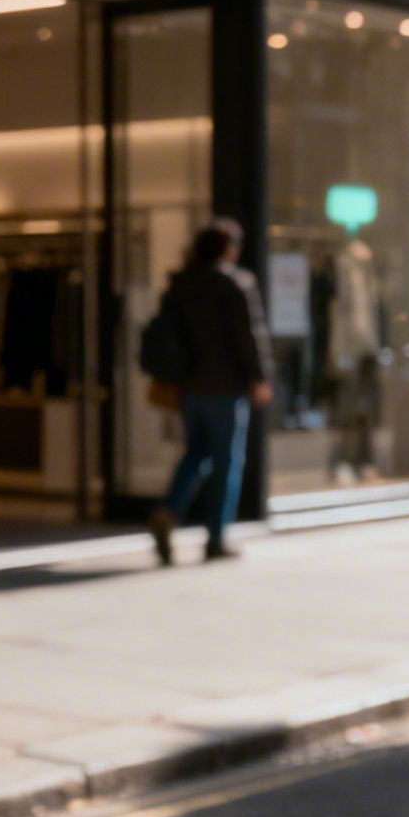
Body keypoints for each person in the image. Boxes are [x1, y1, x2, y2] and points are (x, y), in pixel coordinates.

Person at [147, 219, 275, 565]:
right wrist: (259, 378)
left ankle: (169, 511)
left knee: (195, 454)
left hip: (190, 385)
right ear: (228, 248)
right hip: (226, 386)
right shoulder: (235, 283)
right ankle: (216, 537)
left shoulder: (181, 284)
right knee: (226, 462)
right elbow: (249, 336)